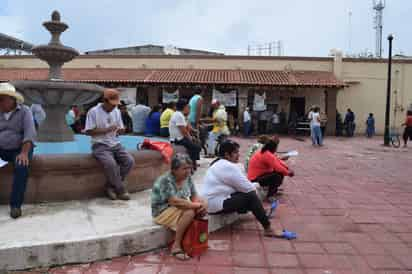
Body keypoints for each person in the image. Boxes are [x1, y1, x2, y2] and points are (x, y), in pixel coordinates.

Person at [201, 140, 296, 239]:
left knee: (246, 194)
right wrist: (256, 185)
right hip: (215, 204)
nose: (238, 155)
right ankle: (268, 229)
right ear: (227, 155)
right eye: (235, 152)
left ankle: (261, 213)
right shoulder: (227, 166)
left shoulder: (219, 163)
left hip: (215, 202)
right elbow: (248, 188)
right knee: (250, 196)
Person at [151, 153, 207, 260]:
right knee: (190, 211)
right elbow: (174, 202)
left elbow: (194, 195)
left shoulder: (188, 177)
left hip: (178, 208)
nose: (188, 171)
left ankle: (193, 241)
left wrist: (201, 205)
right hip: (162, 211)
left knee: (203, 206)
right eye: (184, 168)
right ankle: (176, 246)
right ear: (174, 170)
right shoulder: (165, 180)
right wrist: (196, 205)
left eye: (189, 168)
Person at [85, 89, 135, 200]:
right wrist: (106, 130)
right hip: (100, 145)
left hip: (115, 143)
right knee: (111, 164)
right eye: (112, 105)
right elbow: (88, 131)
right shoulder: (93, 112)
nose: (114, 107)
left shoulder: (116, 111)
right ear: (105, 101)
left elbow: (119, 128)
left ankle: (111, 186)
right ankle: (121, 190)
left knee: (129, 161)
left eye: (115, 105)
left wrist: (121, 131)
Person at [0, 83, 36, 218]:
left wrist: (24, 153)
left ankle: (15, 205)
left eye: (1, 99)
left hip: (20, 148)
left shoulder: (25, 111)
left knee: (21, 166)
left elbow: (29, 134)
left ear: (11, 99)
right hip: (1, 149)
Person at [169, 99, 201, 171]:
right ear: (185, 107)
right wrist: (190, 138)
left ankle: (193, 162)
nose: (189, 109)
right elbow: (184, 131)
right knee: (196, 147)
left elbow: (187, 127)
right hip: (178, 139)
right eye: (188, 107)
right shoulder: (178, 115)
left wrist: (194, 132)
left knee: (196, 142)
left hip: (181, 138)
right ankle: (191, 164)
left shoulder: (180, 115)